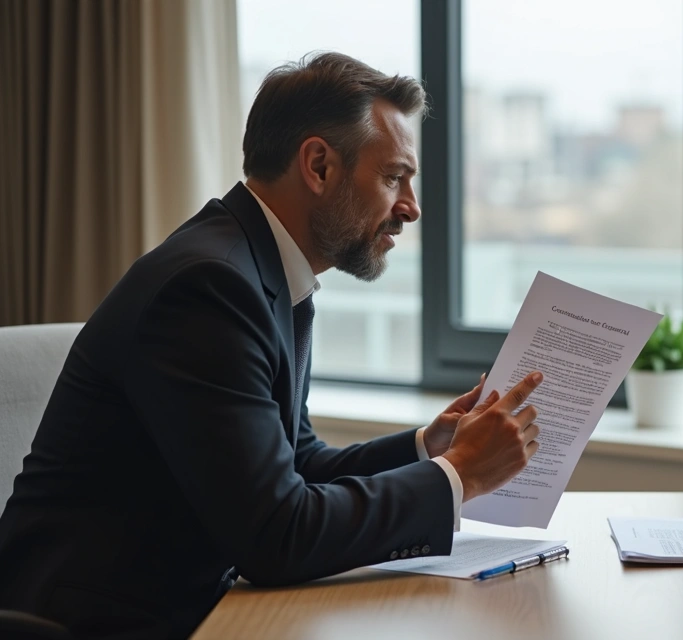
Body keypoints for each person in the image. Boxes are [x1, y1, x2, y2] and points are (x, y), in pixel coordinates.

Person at [0, 52, 544, 639]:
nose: (411, 207)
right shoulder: (208, 286)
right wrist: (457, 474)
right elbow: (276, 536)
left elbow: (297, 465)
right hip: (96, 623)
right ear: (318, 165)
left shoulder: (262, 272)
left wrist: (425, 447)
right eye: (393, 177)